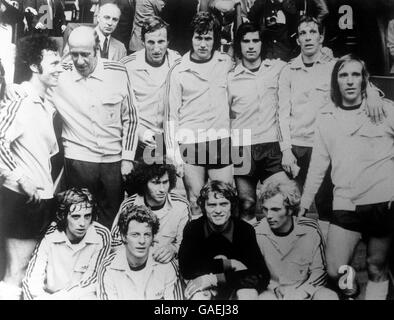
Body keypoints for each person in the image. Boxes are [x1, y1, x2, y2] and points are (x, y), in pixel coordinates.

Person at [299, 54, 394, 300]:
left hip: (381, 200)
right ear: (336, 81)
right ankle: (353, 293)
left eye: (355, 75)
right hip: (345, 201)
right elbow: (318, 164)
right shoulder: (326, 118)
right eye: (343, 75)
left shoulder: (383, 109)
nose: (350, 81)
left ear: (364, 80)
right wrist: (305, 200)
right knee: (335, 269)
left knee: (376, 267)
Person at [278, 15, 382, 221]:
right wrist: (286, 151)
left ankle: (328, 250)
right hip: (298, 148)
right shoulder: (288, 71)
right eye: (302, 33)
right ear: (297, 40)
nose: (308, 38)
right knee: (296, 207)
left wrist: (371, 93)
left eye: (313, 32)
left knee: (327, 205)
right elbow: (281, 113)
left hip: (325, 146)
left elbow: (361, 82)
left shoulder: (333, 66)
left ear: (321, 37)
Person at [50, 26, 138, 229]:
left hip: (113, 161)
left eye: (85, 54)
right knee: (79, 216)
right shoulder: (59, 74)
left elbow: (131, 119)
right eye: (74, 54)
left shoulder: (118, 72)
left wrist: (127, 157)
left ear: (97, 48)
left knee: (111, 219)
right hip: (79, 160)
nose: (79, 61)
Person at [0, 34, 62, 299]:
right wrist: (18, 176)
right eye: (55, 62)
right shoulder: (20, 100)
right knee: (16, 270)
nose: (61, 68)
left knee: (28, 271)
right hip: (21, 199)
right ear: (36, 67)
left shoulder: (46, 103)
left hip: (41, 200)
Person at [164, 12, 234, 217]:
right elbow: (171, 116)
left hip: (220, 141)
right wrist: (173, 154)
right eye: (198, 37)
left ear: (215, 40)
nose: (203, 44)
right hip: (190, 141)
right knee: (195, 202)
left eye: (208, 38)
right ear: (191, 38)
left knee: (224, 200)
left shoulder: (226, 63)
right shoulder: (178, 70)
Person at [228, 22, 289, 223]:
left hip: (271, 144)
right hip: (242, 147)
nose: (251, 46)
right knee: (246, 203)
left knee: (283, 199)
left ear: (262, 43)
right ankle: (249, 252)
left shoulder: (278, 68)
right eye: (246, 41)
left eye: (255, 40)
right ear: (239, 45)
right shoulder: (230, 77)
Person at [178, 180, 270, 300]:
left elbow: (260, 275)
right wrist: (230, 264)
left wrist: (214, 279)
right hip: (206, 287)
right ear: (204, 207)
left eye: (223, 204)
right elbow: (187, 268)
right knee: (199, 297)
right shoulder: (194, 228)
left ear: (231, 205)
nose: (218, 211)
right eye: (212, 205)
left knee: (248, 294)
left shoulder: (244, 230)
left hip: (235, 285)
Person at [22, 188, 110, 300]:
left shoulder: (101, 235)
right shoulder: (49, 234)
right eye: (76, 216)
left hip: (81, 296)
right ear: (63, 216)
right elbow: (31, 280)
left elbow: (92, 280)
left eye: (87, 216)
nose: (82, 223)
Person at [256, 180, 338, 300]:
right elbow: (257, 274)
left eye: (275, 209)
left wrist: (303, 291)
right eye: (265, 209)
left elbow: (319, 270)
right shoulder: (256, 231)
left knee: (329, 296)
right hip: (272, 292)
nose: (268, 215)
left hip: (306, 289)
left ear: (290, 210)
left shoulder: (310, 228)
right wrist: (274, 288)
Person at [121, 15, 181, 163]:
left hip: (169, 139)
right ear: (142, 42)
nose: (156, 48)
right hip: (139, 139)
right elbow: (120, 108)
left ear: (168, 41)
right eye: (150, 42)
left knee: (164, 184)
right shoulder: (127, 66)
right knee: (140, 184)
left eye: (161, 42)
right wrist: (140, 133)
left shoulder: (178, 63)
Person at [111, 163, 190, 265]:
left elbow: (187, 243)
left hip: (167, 265)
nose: (162, 189)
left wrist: (173, 249)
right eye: (155, 183)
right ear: (144, 183)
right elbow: (115, 242)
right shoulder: (129, 205)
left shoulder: (181, 205)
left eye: (165, 182)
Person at [97, 204, 182, 299]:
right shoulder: (109, 267)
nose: (142, 241)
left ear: (153, 237)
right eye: (135, 235)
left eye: (147, 235)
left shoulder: (167, 265)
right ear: (124, 237)